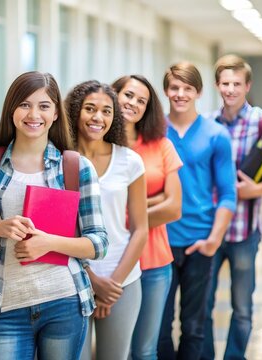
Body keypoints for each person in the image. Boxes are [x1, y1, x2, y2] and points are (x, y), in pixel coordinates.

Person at [0, 71, 108, 360]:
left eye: (44, 106)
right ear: (12, 110)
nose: (33, 114)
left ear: (55, 114)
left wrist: (48, 243)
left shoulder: (76, 167)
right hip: (6, 304)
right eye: (25, 104)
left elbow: (98, 243)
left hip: (64, 300)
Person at [201, 54, 262, 360]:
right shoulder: (208, 124)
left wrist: (255, 189)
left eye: (236, 83)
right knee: (203, 305)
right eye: (225, 83)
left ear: (247, 85)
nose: (230, 89)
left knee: (242, 308)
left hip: (244, 232)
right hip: (211, 229)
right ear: (217, 85)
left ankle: (234, 357)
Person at [158, 61, 237, 360]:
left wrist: (214, 240)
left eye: (187, 88)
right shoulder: (154, 131)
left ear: (199, 92)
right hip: (161, 243)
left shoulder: (216, 135)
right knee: (160, 327)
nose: (180, 94)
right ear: (166, 91)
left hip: (200, 244)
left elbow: (228, 193)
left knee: (194, 326)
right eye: (174, 87)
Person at [66, 80, 148, 360]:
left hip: (122, 281)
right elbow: (58, 230)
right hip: (73, 278)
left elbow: (140, 229)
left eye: (106, 111)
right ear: (76, 111)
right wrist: (93, 281)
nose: (98, 118)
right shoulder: (59, 161)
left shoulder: (129, 161)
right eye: (90, 109)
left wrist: (111, 285)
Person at [112, 75, 183, 360]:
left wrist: (124, 215)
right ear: (113, 94)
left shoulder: (161, 145)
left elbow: (174, 207)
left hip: (154, 262)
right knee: (116, 349)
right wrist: (153, 201)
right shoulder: (98, 146)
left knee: (144, 350)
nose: (133, 104)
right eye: (128, 95)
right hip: (111, 263)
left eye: (142, 101)